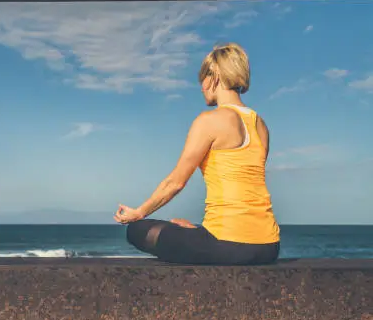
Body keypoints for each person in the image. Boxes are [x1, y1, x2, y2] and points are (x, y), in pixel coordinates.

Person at [113, 43, 280, 265]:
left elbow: (175, 183)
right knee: (185, 229)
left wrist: (139, 213)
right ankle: (202, 232)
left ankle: (200, 235)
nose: (201, 87)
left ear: (215, 77)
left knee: (137, 230)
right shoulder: (261, 125)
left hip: (228, 246)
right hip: (269, 246)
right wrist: (200, 231)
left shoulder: (209, 121)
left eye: (203, 79)